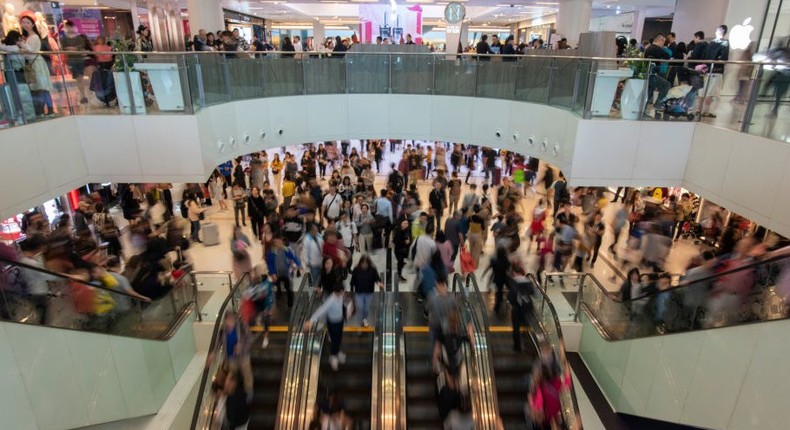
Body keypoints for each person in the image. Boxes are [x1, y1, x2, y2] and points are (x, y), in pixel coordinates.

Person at [210, 310, 253, 399]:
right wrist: (213, 353)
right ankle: (235, 391)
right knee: (233, 375)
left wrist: (241, 346)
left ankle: (249, 390)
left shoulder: (241, 326)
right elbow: (218, 343)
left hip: (243, 356)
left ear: (235, 320)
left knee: (246, 373)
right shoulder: (222, 331)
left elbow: (249, 339)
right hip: (230, 358)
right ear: (225, 321)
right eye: (227, 320)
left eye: (231, 320)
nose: (229, 323)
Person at [304, 280, 346, 371]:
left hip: (340, 321)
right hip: (333, 323)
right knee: (335, 340)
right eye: (341, 292)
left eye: (343, 291)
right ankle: (333, 356)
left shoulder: (341, 295)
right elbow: (321, 310)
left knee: (339, 338)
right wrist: (311, 320)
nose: (343, 293)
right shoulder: (331, 300)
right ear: (336, 292)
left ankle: (337, 352)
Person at [18, 15, 54, 117]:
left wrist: (22, 46)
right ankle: (48, 110)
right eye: (23, 23)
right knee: (42, 87)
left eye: (27, 23)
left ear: (33, 24)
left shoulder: (34, 37)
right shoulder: (30, 37)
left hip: (36, 63)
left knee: (40, 87)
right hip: (35, 63)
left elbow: (31, 51)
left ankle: (42, 110)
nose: (25, 25)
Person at [692, 25, 730, 118]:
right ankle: (706, 111)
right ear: (725, 33)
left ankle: (698, 110)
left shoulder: (711, 43)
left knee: (702, 91)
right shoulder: (725, 43)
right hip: (716, 71)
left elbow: (704, 56)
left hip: (706, 70)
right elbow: (724, 58)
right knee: (711, 92)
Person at [60, 20, 93, 105]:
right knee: (78, 78)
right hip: (72, 61)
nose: (68, 28)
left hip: (80, 60)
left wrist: (72, 49)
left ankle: (85, 94)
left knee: (81, 77)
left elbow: (79, 48)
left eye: (69, 26)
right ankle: (83, 95)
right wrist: (73, 49)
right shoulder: (64, 39)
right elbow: (65, 50)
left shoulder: (80, 38)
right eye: (67, 27)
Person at [266, 236, 301, 307]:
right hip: (276, 274)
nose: (280, 244)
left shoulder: (286, 249)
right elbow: (270, 264)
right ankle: (278, 301)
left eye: (281, 242)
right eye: (278, 242)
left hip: (286, 273)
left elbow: (293, 257)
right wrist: (273, 273)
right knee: (277, 288)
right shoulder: (271, 253)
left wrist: (298, 264)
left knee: (288, 288)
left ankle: (290, 304)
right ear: (274, 244)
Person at [350, 254, 381, 327]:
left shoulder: (372, 270)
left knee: (366, 308)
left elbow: (377, 278)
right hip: (359, 292)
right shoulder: (356, 270)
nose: (364, 265)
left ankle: (365, 319)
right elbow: (353, 281)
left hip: (369, 292)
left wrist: (379, 283)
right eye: (362, 263)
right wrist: (351, 291)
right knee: (360, 307)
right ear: (360, 263)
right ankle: (360, 320)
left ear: (368, 263)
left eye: (366, 264)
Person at [643, 33, 671, 111]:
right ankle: (658, 104)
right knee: (666, 84)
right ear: (660, 41)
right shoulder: (656, 49)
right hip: (652, 74)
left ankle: (643, 111)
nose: (663, 44)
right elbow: (667, 56)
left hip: (649, 73)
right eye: (663, 42)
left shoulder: (649, 48)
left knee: (648, 93)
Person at [393, 218, 412, 282]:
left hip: (405, 249)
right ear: (401, 224)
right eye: (404, 223)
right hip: (399, 250)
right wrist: (405, 242)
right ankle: (399, 275)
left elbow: (409, 239)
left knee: (401, 261)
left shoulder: (407, 230)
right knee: (400, 262)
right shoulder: (398, 231)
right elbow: (395, 241)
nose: (406, 225)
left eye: (407, 223)